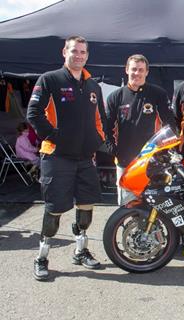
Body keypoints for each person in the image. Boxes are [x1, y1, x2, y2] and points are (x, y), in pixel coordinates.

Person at [27, 36, 106, 281]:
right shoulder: (49, 79)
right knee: (55, 210)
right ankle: (42, 257)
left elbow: (99, 119)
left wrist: (97, 140)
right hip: (57, 156)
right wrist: (54, 135)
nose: (79, 55)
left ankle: (80, 251)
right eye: (75, 51)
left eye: (83, 52)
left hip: (85, 158)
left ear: (87, 55)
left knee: (86, 207)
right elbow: (34, 113)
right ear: (65, 52)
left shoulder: (93, 86)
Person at [103, 54, 175, 205]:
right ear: (127, 70)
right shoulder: (115, 97)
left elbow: (170, 124)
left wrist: (164, 151)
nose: (137, 73)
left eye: (141, 70)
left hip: (152, 161)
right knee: (127, 205)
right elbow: (106, 127)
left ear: (147, 72)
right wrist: (113, 149)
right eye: (134, 69)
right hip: (125, 161)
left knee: (154, 205)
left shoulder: (158, 94)